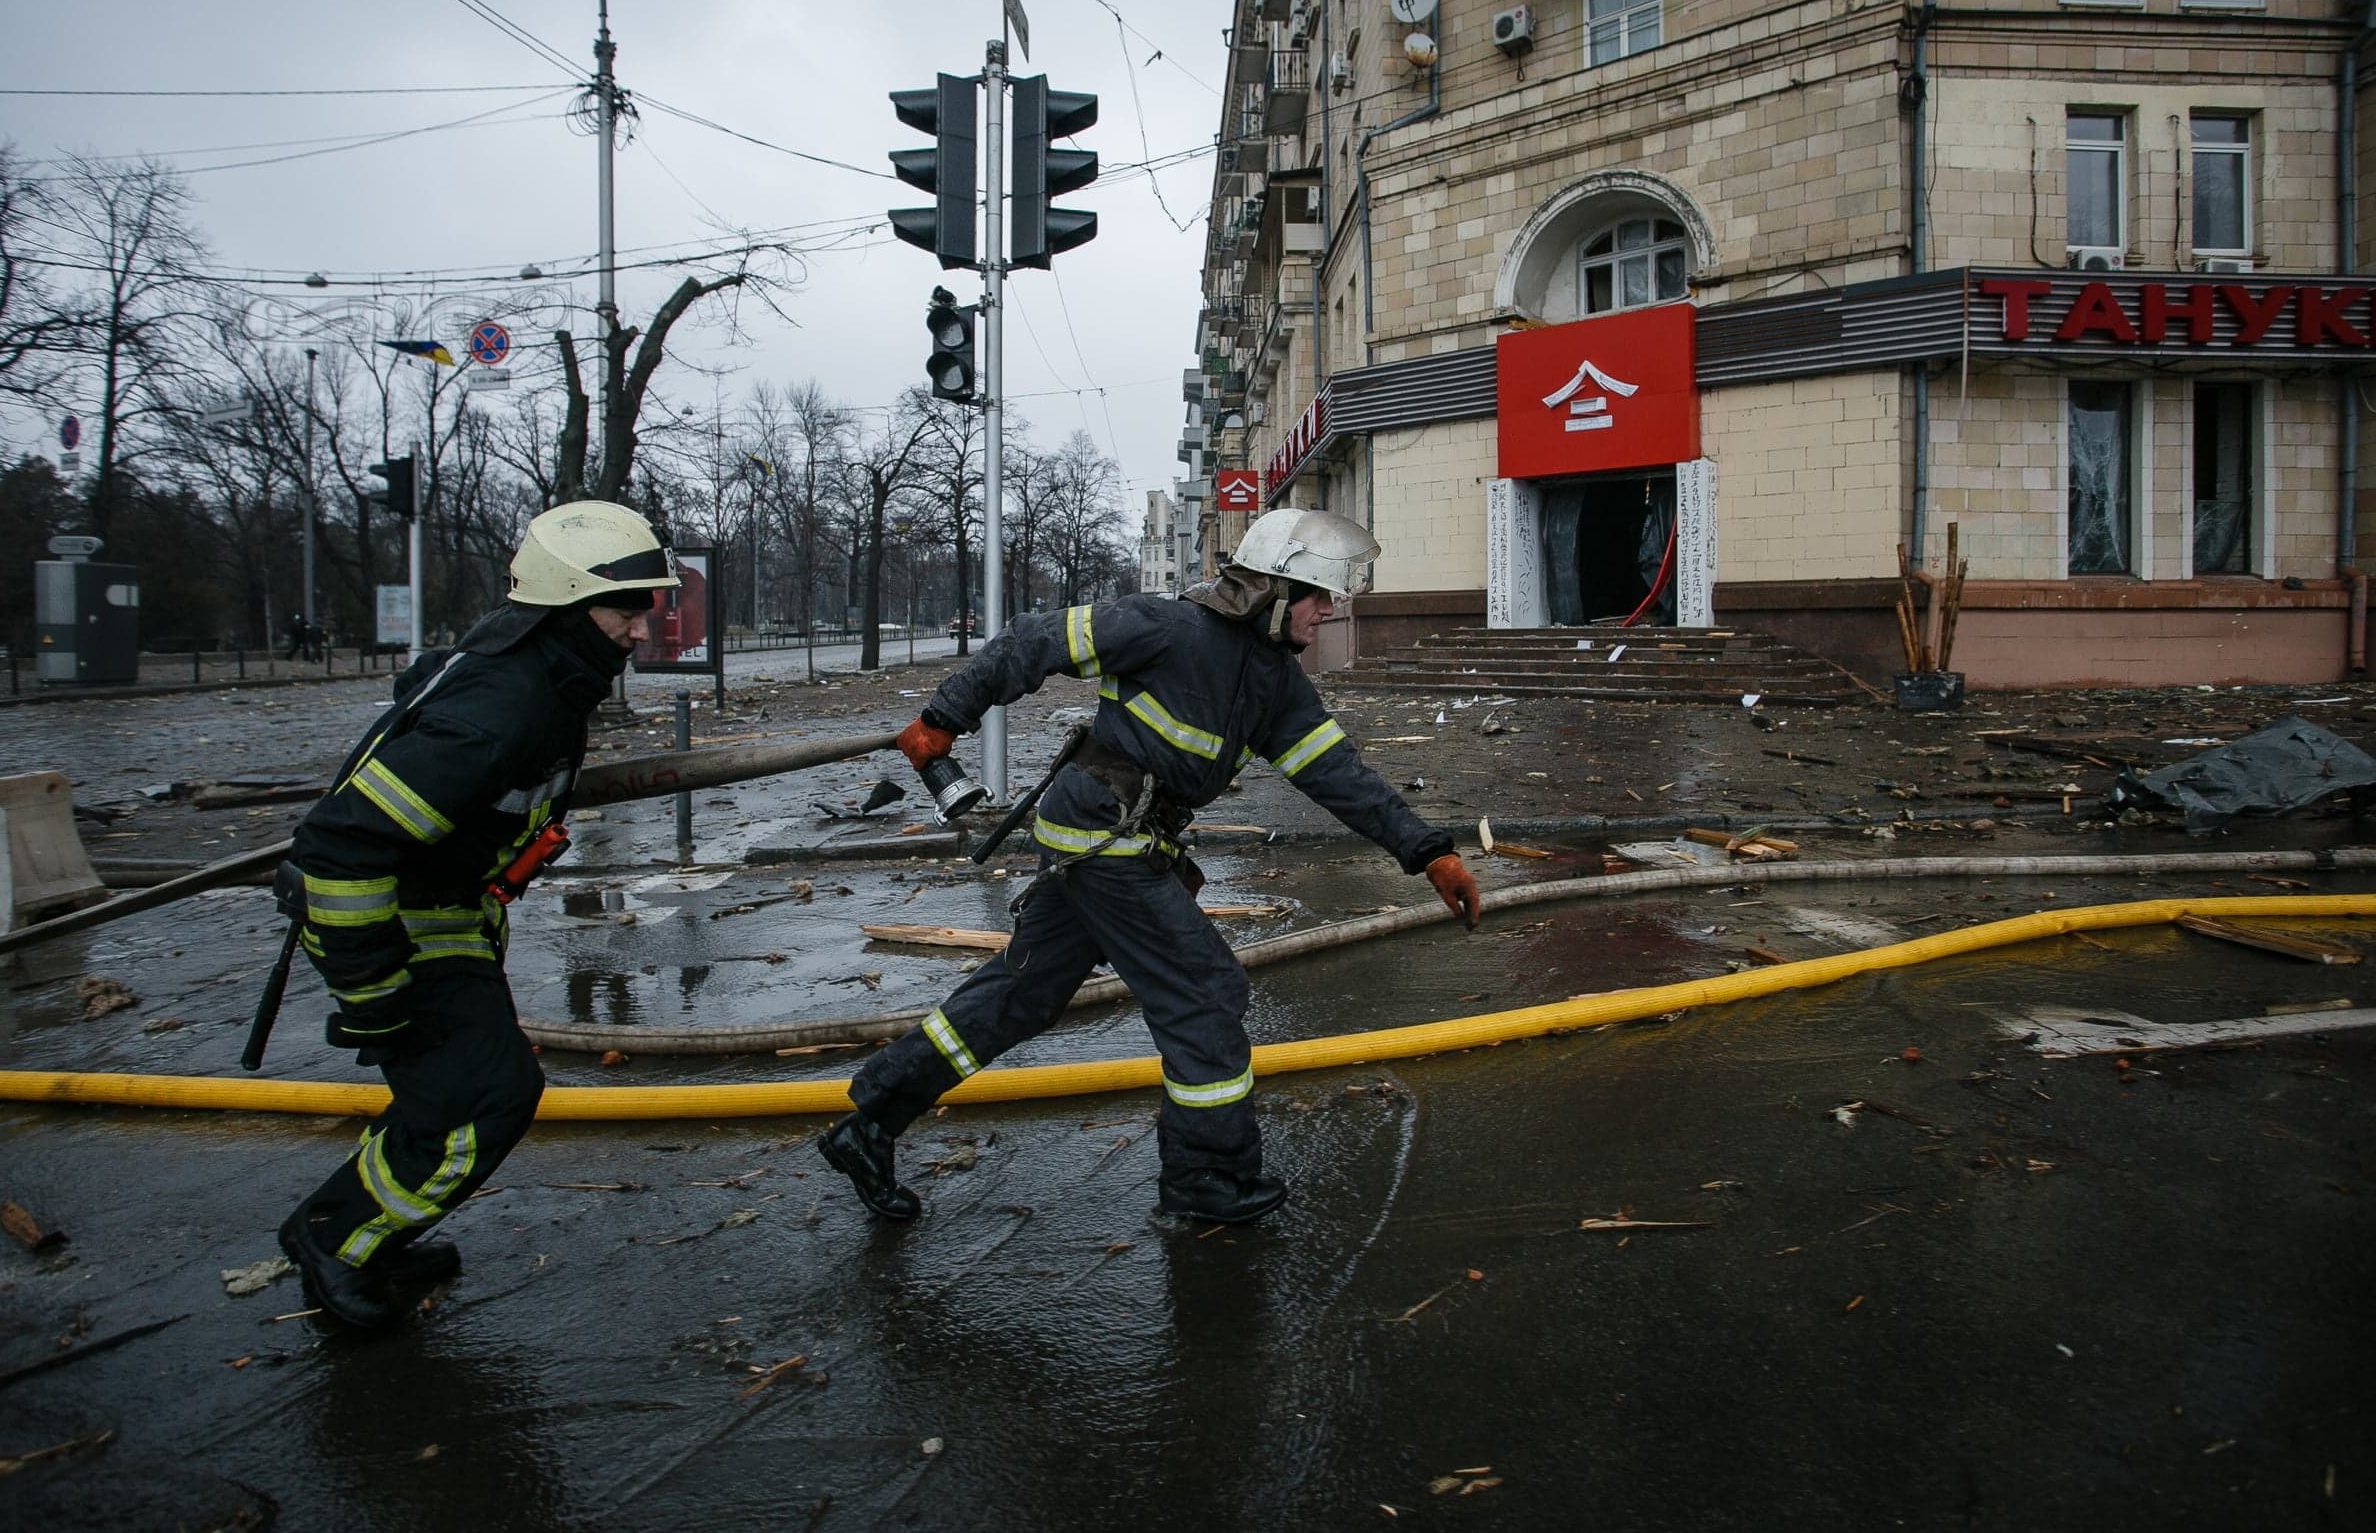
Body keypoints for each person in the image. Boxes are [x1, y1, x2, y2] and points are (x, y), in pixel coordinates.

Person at [819, 508, 1482, 1228]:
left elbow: (1340, 776)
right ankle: (1206, 1179)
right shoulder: (1165, 627)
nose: (1330, 610)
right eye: (1320, 595)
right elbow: (1030, 641)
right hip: (1103, 840)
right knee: (1204, 991)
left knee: (1023, 993)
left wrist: (1427, 851)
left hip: (1117, 843)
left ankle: (870, 1125)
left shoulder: (1275, 685)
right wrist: (944, 716)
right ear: (1276, 592)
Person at [270, 501, 674, 1329]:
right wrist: (375, 994)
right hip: (392, 923)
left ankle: (374, 1229)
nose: (641, 629)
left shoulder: (544, 677)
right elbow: (340, 849)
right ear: (567, 603)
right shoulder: (504, 706)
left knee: (452, 1094)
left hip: (442, 912)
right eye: (627, 609)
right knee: (484, 1098)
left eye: (646, 609)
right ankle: (339, 1238)